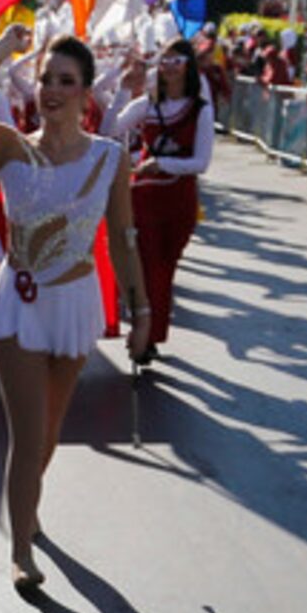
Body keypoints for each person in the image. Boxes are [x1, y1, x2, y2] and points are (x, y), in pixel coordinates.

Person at [0, 27, 153, 591]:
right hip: (20, 303)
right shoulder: (10, 145)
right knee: (29, 434)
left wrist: (141, 311)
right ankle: (19, 550)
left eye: (66, 81)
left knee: (51, 433)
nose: (53, 90)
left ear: (87, 93)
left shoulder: (110, 157)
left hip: (75, 302)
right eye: (46, 80)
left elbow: (123, 236)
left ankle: (27, 510)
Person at [115, 38, 214, 371]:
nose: (169, 66)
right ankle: (145, 337)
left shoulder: (200, 109)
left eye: (176, 60)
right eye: (164, 60)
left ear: (188, 66)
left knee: (164, 269)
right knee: (147, 268)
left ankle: (150, 335)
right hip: (144, 198)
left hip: (178, 200)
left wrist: (163, 164)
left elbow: (201, 162)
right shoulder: (146, 104)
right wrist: (122, 89)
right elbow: (110, 128)